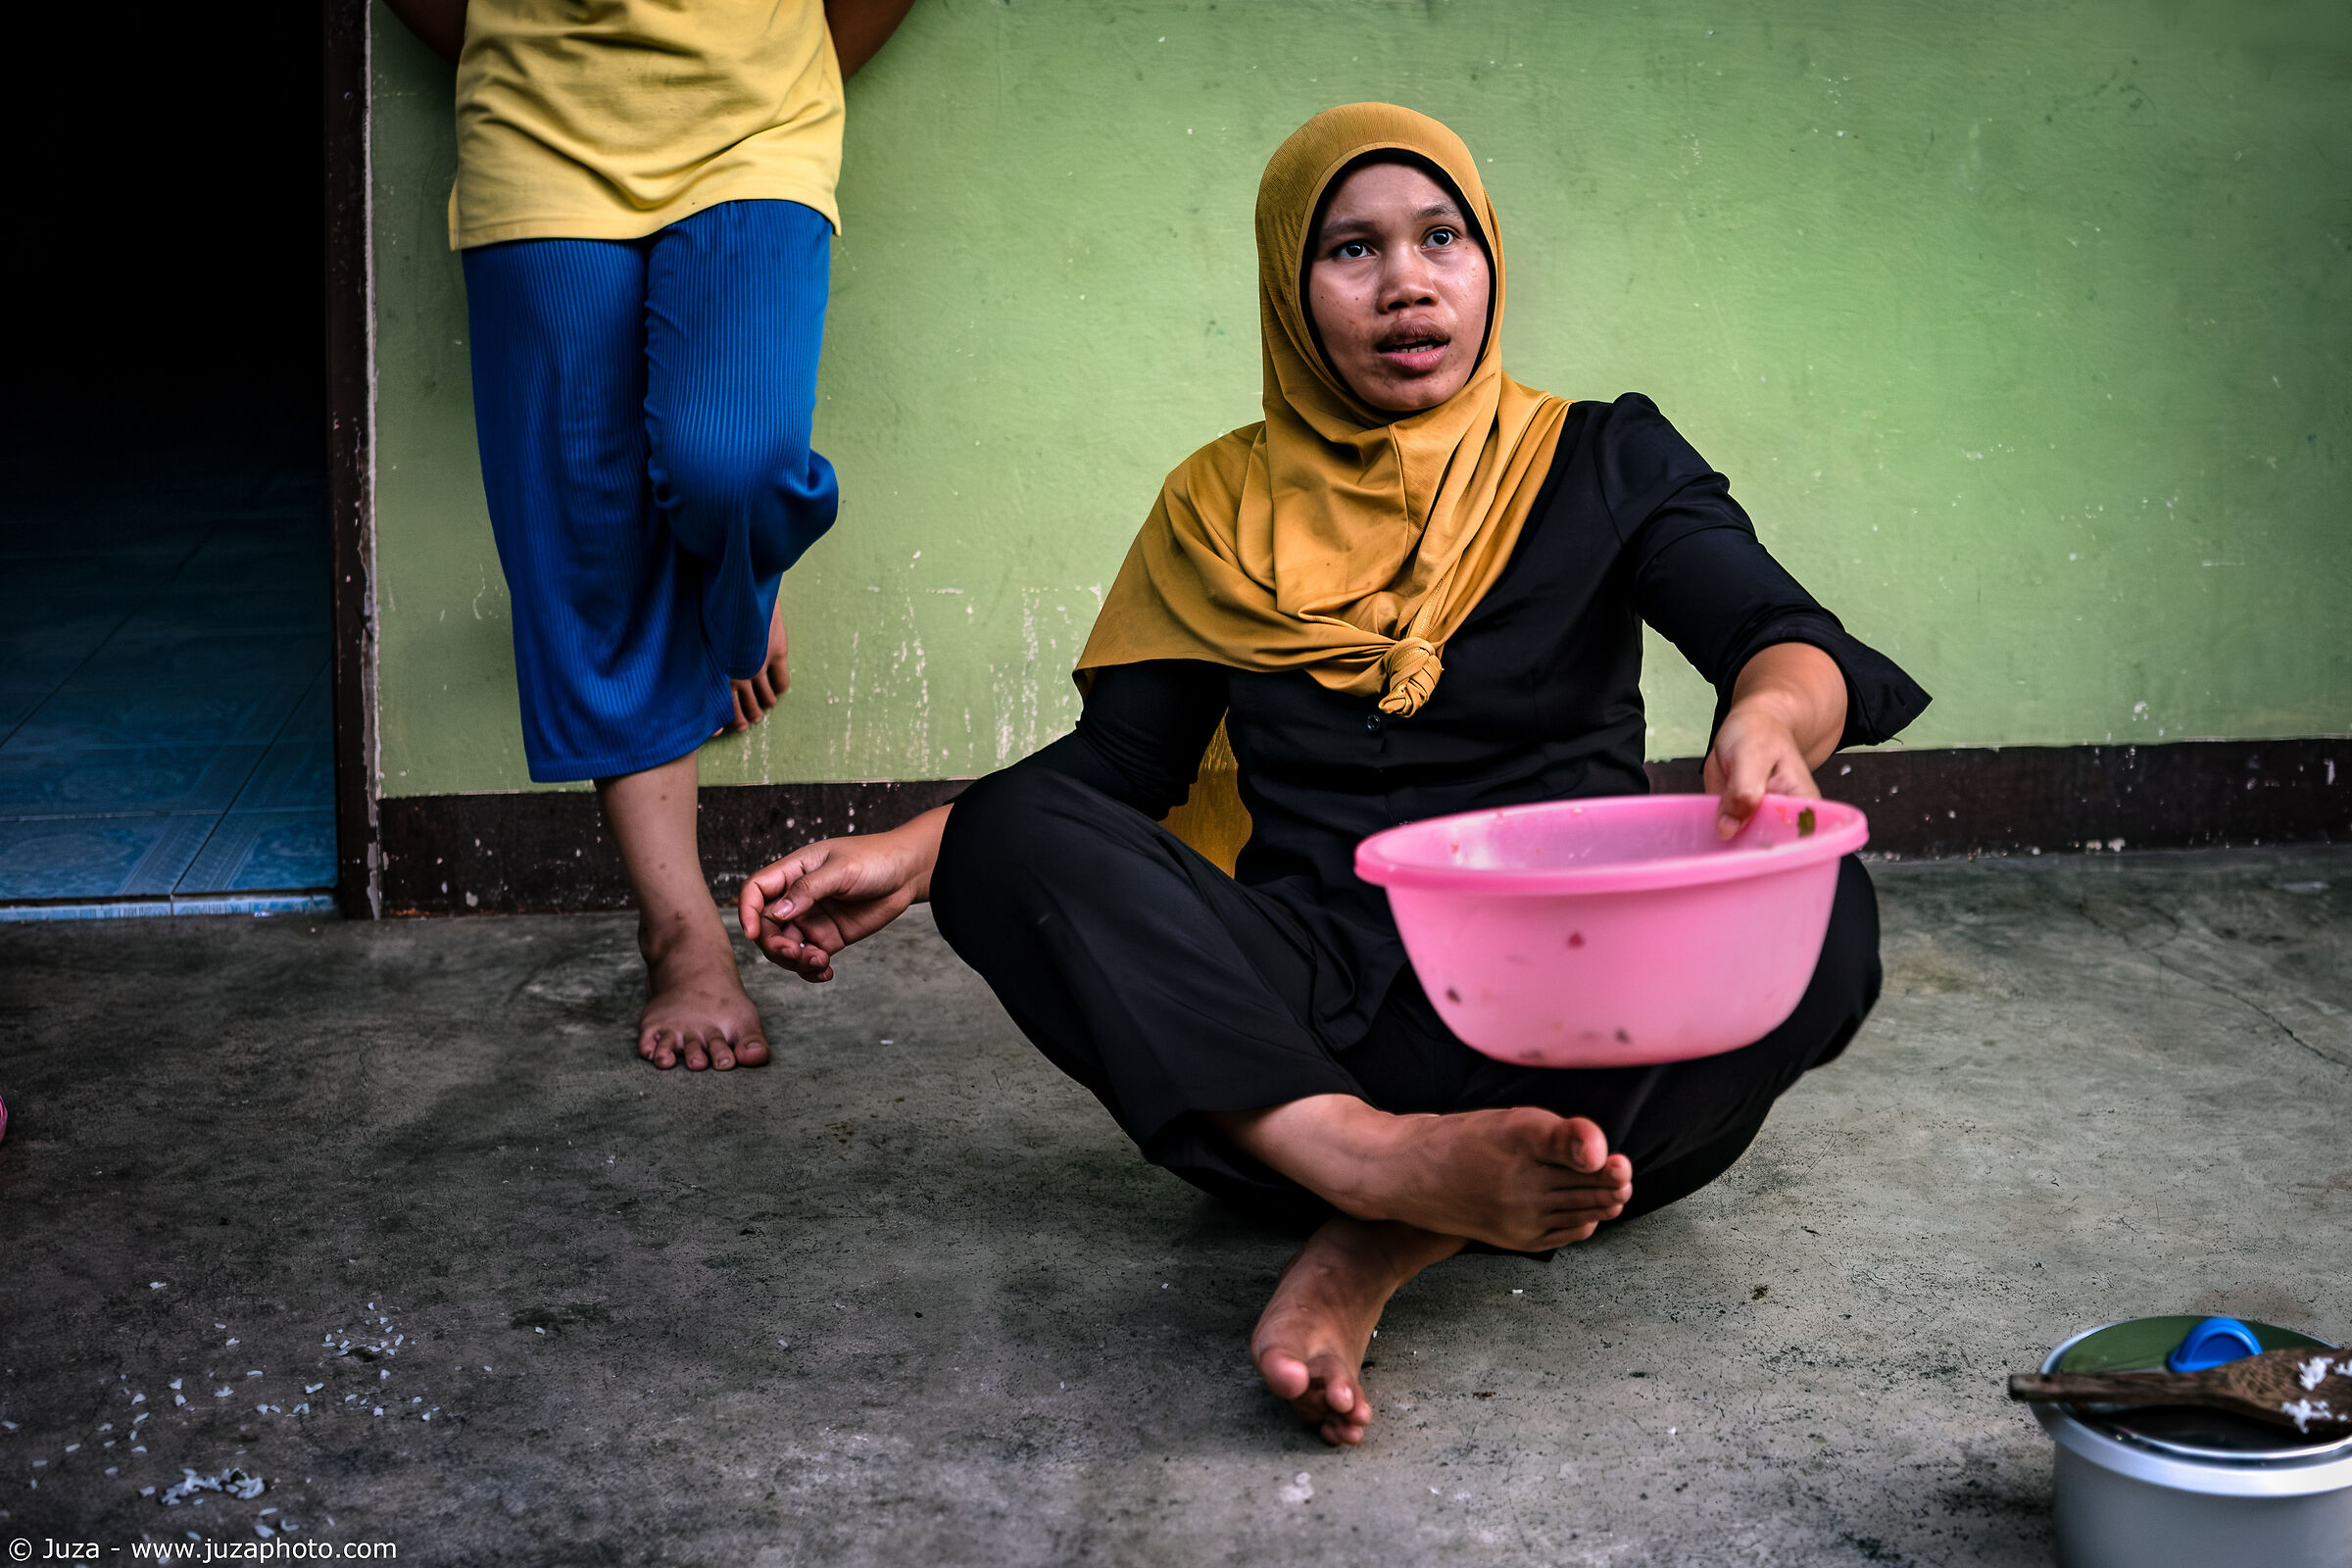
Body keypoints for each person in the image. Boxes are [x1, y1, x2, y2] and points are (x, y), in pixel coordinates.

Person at [735, 104, 1932, 1446]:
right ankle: (1366, 1158)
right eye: (1352, 249)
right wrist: (915, 853)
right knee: (1008, 828)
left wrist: (1770, 718)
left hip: (1581, 1014)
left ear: (1489, 263)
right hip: (1307, 1020)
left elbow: (1782, 634)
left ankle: (1375, 1235)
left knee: (1827, 909)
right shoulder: (1219, 504)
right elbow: (1121, 768)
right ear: (1288, 289)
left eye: (1442, 239)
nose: (1407, 283)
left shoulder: (1601, 457)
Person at [382, 0, 918, 1071]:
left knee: (738, 466)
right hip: (534, 125)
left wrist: (781, 56)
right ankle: (680, 933)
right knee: (589, 540)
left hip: (755, 116)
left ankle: (734, 579)